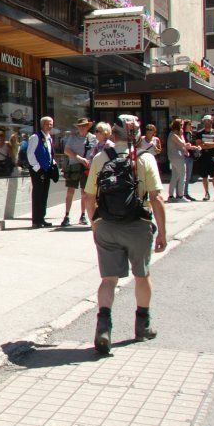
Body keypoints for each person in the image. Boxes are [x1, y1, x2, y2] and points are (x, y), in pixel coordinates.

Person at [82, 115, 167, 354]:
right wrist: (162, 232)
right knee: (142, 274)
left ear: (114, 134)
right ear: (138, 136)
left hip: (107, 225)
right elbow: (156, 198)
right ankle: (142, 326)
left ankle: (103, 328)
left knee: (108, 279)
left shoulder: (100, 158)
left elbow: (88, 196)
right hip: (138, 225)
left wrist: (94, 223)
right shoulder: (145, 158)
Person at [61, 117, 95, 227]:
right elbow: (66, 150)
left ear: (87, 127)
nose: (82, 128)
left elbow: (96, 151)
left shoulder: (93, 138)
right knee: (70, 191)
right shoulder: (72, 137)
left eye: (84, 126)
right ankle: (66, 216)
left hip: (86, 168)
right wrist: (80, 158)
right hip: (73, 167)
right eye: (80, 126)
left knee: (84, 193)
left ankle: (83, 215)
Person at [27, 116, 57, 228]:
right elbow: (30, 154)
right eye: (48, 124)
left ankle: (42, 218)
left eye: (51, 124)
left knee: (44, 195)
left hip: (47, 170)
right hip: (38, 170)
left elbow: (49, 154)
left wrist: (53, 162)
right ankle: (36, 220)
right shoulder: (35, 137)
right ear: (42, 124)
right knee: (38, 194)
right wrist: (37, 168)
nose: (50, 126)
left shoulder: (49, 138)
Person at [192, 115, 214, 202]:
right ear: (203, 122)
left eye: (209, 121)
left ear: (212, 122)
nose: (207, 123)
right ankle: (207, 193)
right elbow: (199, 145)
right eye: (206, 121)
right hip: (203, 157)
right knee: (204, 176)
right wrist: (211, 144)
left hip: (212, 156)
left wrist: (205, 143)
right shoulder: (199, 133)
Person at [166, 119, 193, 203]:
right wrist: (191, 147)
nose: (182, 126)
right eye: (181, 125)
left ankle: (171, 196)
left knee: (175, 176)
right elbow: (183, 144)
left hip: (174, 157)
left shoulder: (173, 134)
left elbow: (182, 146)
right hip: (177, 158)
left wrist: (185, 149)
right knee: (182, 176)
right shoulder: (173, 135)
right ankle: (181, 196)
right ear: (177, 126)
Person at [181, 119, 198, 201]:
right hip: (184, 156)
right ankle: (181, 193)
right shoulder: (182, 134)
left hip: (190, 156)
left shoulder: (191, 134)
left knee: (188, 176)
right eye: (189, 124)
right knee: (183, 176)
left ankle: (186, 193)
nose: (191, 126)